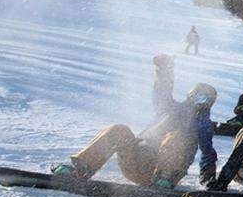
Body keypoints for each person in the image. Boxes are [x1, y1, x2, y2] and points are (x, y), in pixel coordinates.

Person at [52, 54, 217, 189]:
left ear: (210, 103)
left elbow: (207, 153)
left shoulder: (202, 125)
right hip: (136, 160)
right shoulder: (170, 108)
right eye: (198, 95)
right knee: (119, 129)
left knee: (178, 136)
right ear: (190, 94)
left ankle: (164, 177)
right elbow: (162, 92)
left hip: (164, 171)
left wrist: (209, 181)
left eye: (205, 99)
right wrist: (164, 70)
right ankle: (81, 168)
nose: (200, 101)